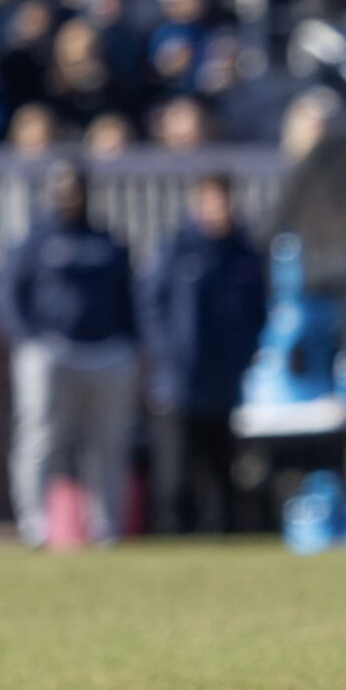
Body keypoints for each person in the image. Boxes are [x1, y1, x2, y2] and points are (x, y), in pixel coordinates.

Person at [0, 163, 139, 545]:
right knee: (41, 438)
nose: (67, 194)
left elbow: (130, 297)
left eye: (74, 187)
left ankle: (106, 528)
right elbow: (7, 293)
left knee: (105, 443)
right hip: (51, 351)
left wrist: (128, 342)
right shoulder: (34, 242)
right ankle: (35, 526)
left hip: (106, 353)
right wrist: (28, 339)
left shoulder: (106, 241)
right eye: (60, 187)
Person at [138, 172, 269, 535]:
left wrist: (244, 354)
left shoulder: (244, 253)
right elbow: (151, 306)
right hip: (178, 379)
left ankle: (222, 537)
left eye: (222, 200)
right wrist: (165, 354)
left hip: (224, 378)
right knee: (175, 472)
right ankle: (172, 537)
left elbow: (257, 312)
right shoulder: (176, 248)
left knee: (222, 469)